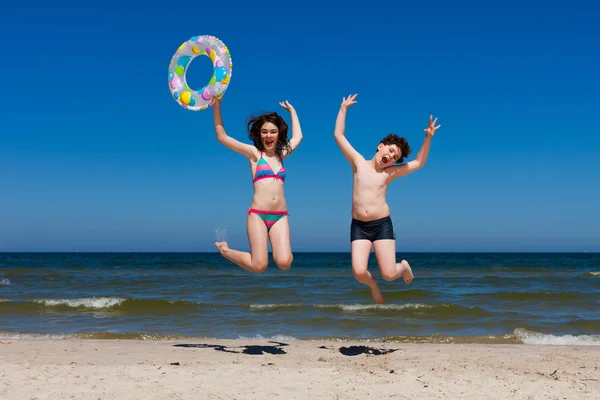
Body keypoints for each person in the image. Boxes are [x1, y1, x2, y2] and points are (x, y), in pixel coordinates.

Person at [333, 94, 441, 303]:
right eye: (390, 151)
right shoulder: (358, 163)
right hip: (359, 226)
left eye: (395, 157)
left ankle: (404, 266)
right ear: (380, 145)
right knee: (358, 271)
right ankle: (373, 286)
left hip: (381, 224)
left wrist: (428, 137)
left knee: (390, 274)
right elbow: (339, 135)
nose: (391, 157)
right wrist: (343, 108)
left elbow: (419, 163)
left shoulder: (390, 173)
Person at [212, 97, 303, 273]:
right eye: (264, 132)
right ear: (259, 134)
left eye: (273, 132)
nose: (268, 136)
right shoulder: (254, 154)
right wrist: (217, 106)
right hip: (258, 215)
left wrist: (292, 111)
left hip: (280, 216)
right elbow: (221, 137)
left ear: (279, 134)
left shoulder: (281, 155)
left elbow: (299, 136)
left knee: (285, 263)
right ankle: (225, 250)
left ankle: (282, 253)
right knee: (259, 266)